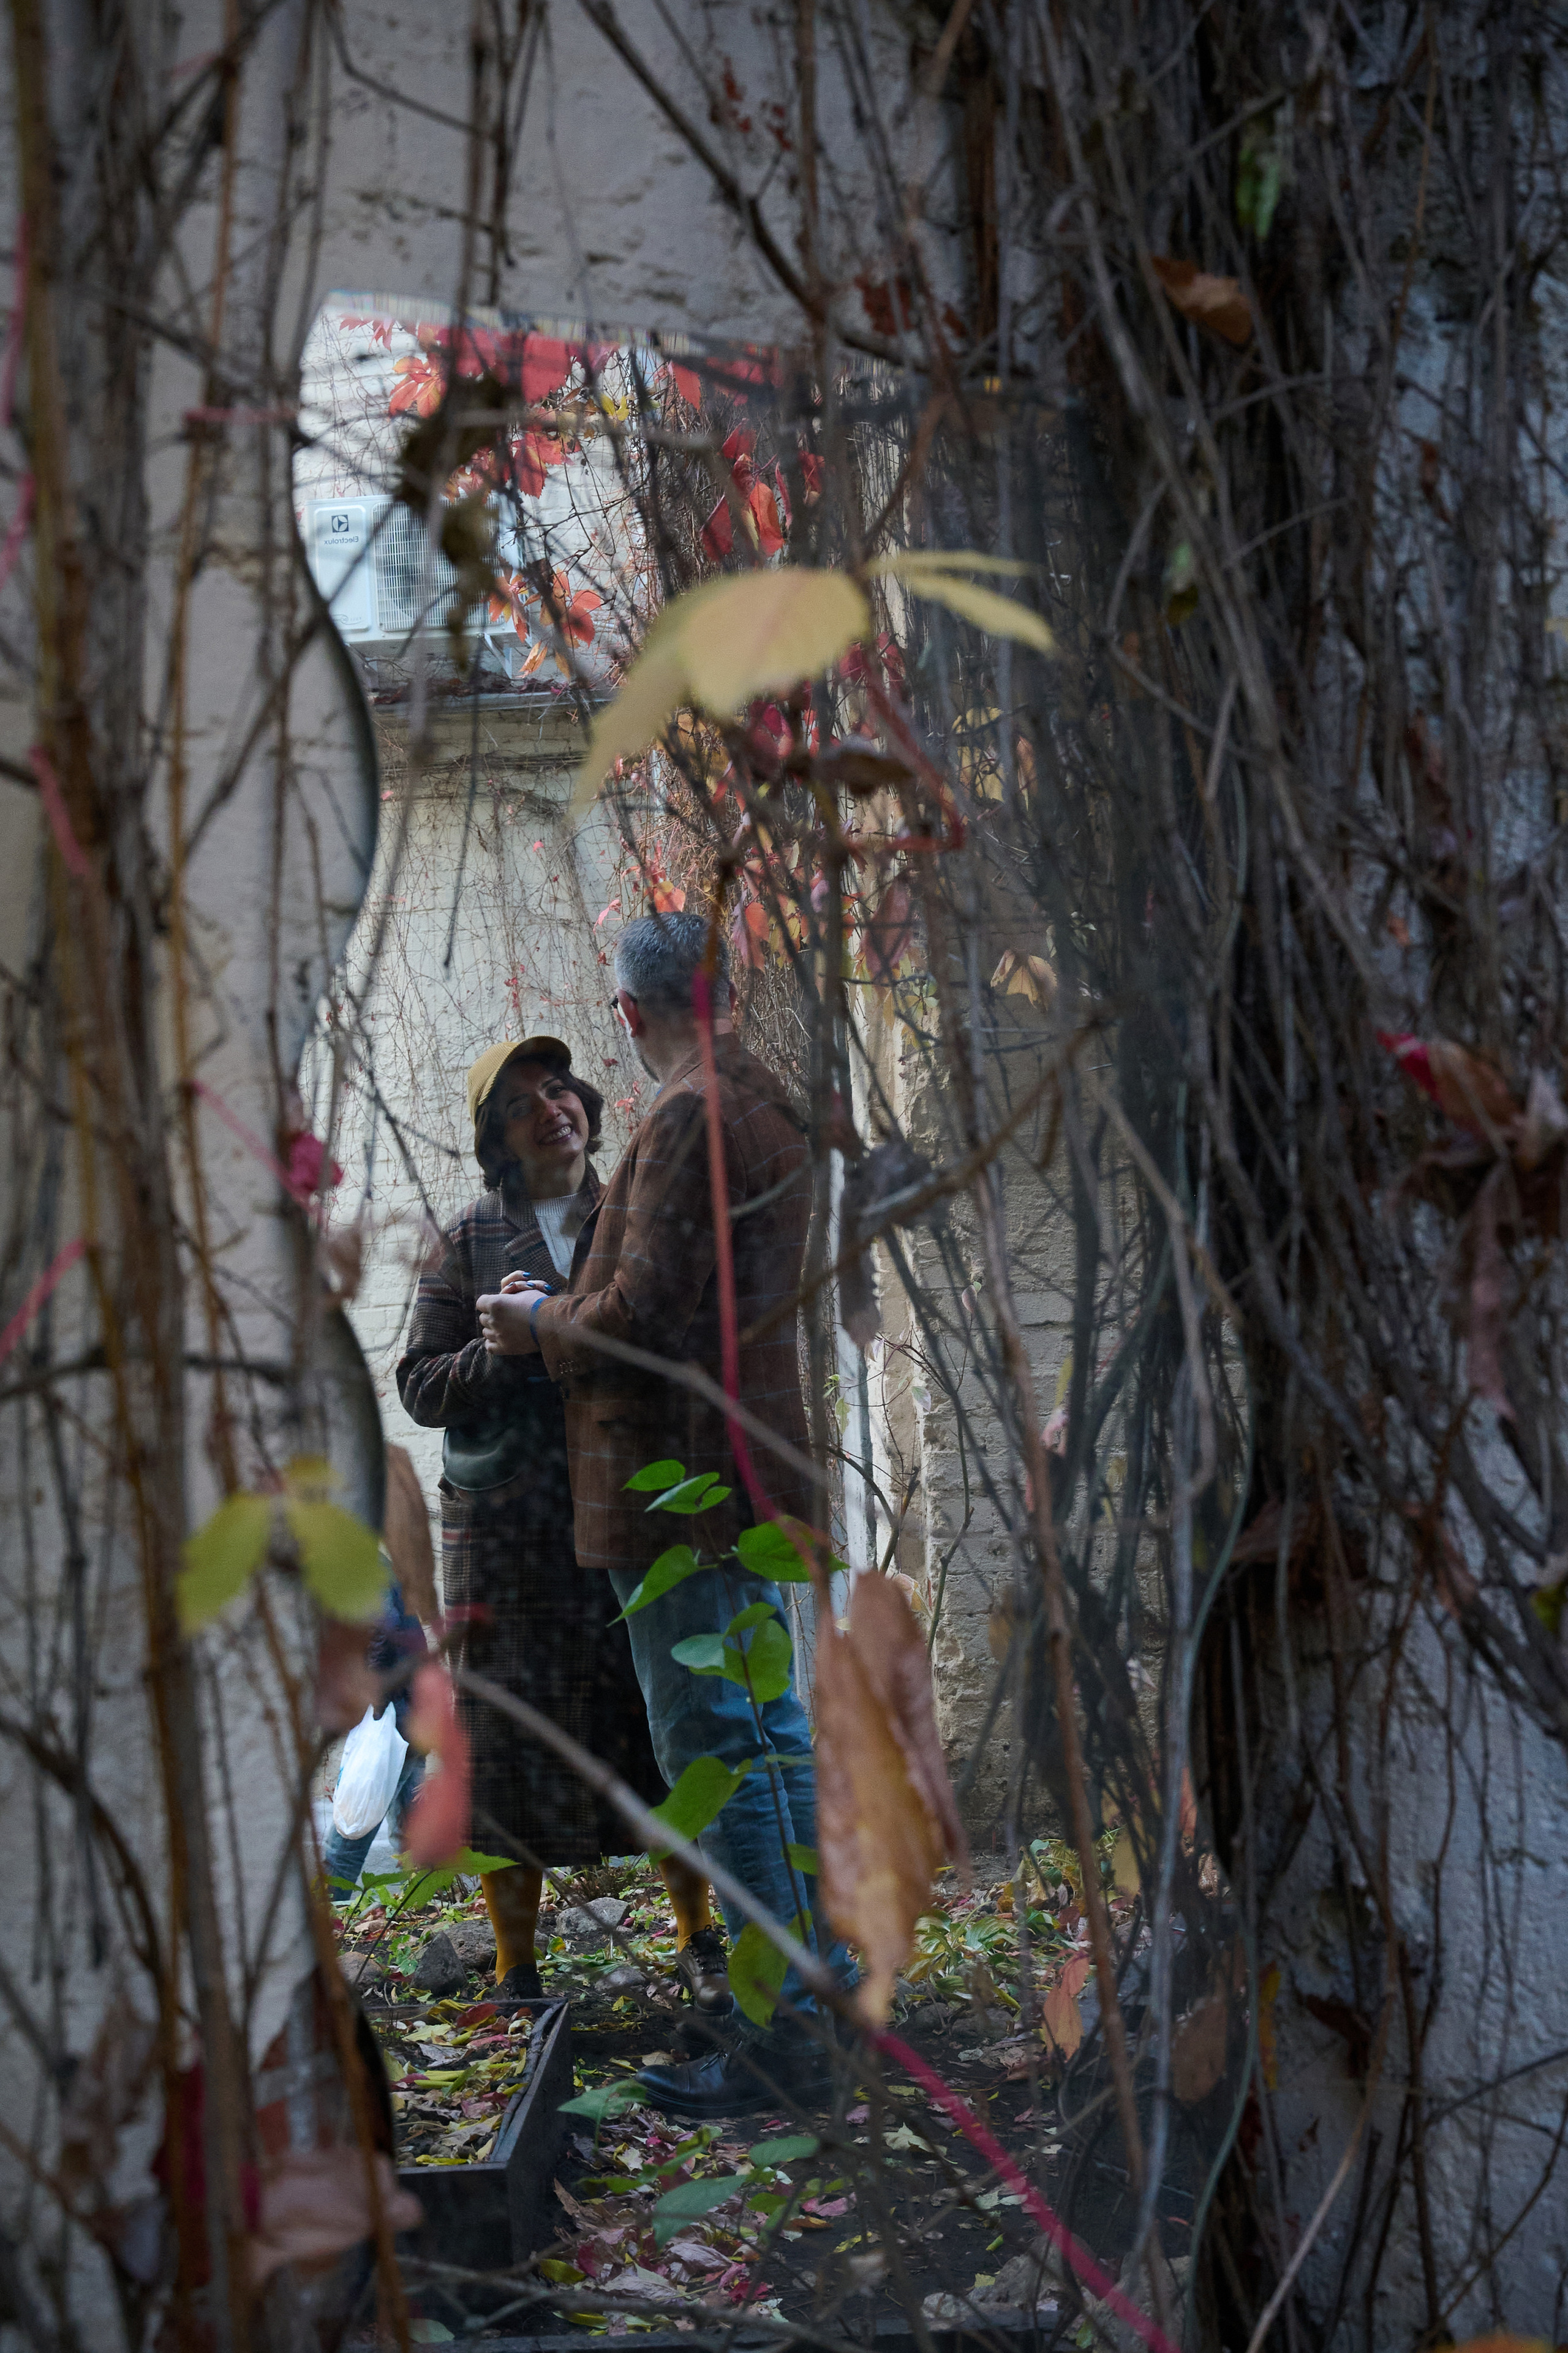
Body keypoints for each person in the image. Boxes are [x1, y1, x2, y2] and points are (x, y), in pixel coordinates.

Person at [477, 917, 839, 2115]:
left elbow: (644, 1317)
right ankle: (815, 1988)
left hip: (682, 1487)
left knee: (719, 1752)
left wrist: (537, 1323)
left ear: (630, 1013)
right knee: (767, 1734)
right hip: (740, 1469)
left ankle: (783, 2034)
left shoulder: (693, 1112)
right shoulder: (764, 1097)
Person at [397, 1035, 728, 2011]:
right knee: (505, 1742)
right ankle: (516, 1969)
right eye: (522, 1103)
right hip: (506, 1537)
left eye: (558, 1089)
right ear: (496, 1139)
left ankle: (700, 1935)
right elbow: (419, 1385)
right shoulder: (465, 1240)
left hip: (623, 1505)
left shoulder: (626, 1215)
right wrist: (497, 1352)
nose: (553, 1110)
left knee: (657, 1717)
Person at [322, 1583, 428, 1896]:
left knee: (347, 1840)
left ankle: (329, 1917)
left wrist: (372, 1697)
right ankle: (424, 1906)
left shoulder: (364, 1571)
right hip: (408, 1714)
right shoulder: (384, 1573)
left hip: (391, 1720)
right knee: (412, 1835)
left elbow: (381, 1627)